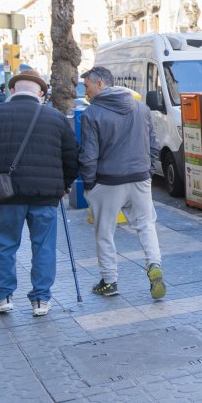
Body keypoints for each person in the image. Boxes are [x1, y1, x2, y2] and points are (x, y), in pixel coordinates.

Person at [0, 69, 79, 316]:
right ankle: (41, 300)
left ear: (12, 90)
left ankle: (3, 296)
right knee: (44, 246)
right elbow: (71, 157)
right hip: (46, 194)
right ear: (41, 93)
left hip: (6, 195)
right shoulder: (56, 118)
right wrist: (65, 185)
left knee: (4, 244)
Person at [78, 66, 166, 300]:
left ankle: (109, 281)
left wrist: (89, 184)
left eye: (87, 85)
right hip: (139, 179)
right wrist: (147, 171)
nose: (85, 91)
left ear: (99, 84)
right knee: (146, 225)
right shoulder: (141, 108)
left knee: (105, 232)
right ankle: (154, 264)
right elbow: (153, 144)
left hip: (108, 181)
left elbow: (89, 155)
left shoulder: (92, 113)